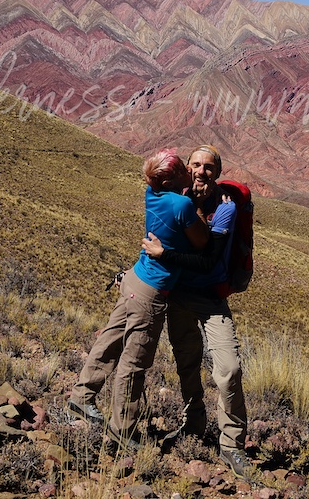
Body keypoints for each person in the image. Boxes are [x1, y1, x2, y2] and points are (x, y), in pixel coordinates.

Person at [67, 149, 208, 448]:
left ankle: (81, 397)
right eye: (183, 169)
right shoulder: (182, 204)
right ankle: (123, 429)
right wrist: (197, 205)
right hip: (151, 292)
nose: (189, 170)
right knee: (135, 361)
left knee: (110, 341)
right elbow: (202, 241)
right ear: (170, 181)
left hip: (134, 279)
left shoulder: (151, 192)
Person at [141, 144, 255, 479]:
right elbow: (156, 237)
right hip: (178, 294)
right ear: (186, 169)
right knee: (186, 363)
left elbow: (206, 261)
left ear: (217, 173)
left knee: (229, 369)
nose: (201, 171)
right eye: (195, 164)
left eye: (209, 166)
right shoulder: (178, 198)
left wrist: (164, 255)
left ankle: (232, 445)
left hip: (210, 297)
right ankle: (193, 423)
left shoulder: (226, 208)